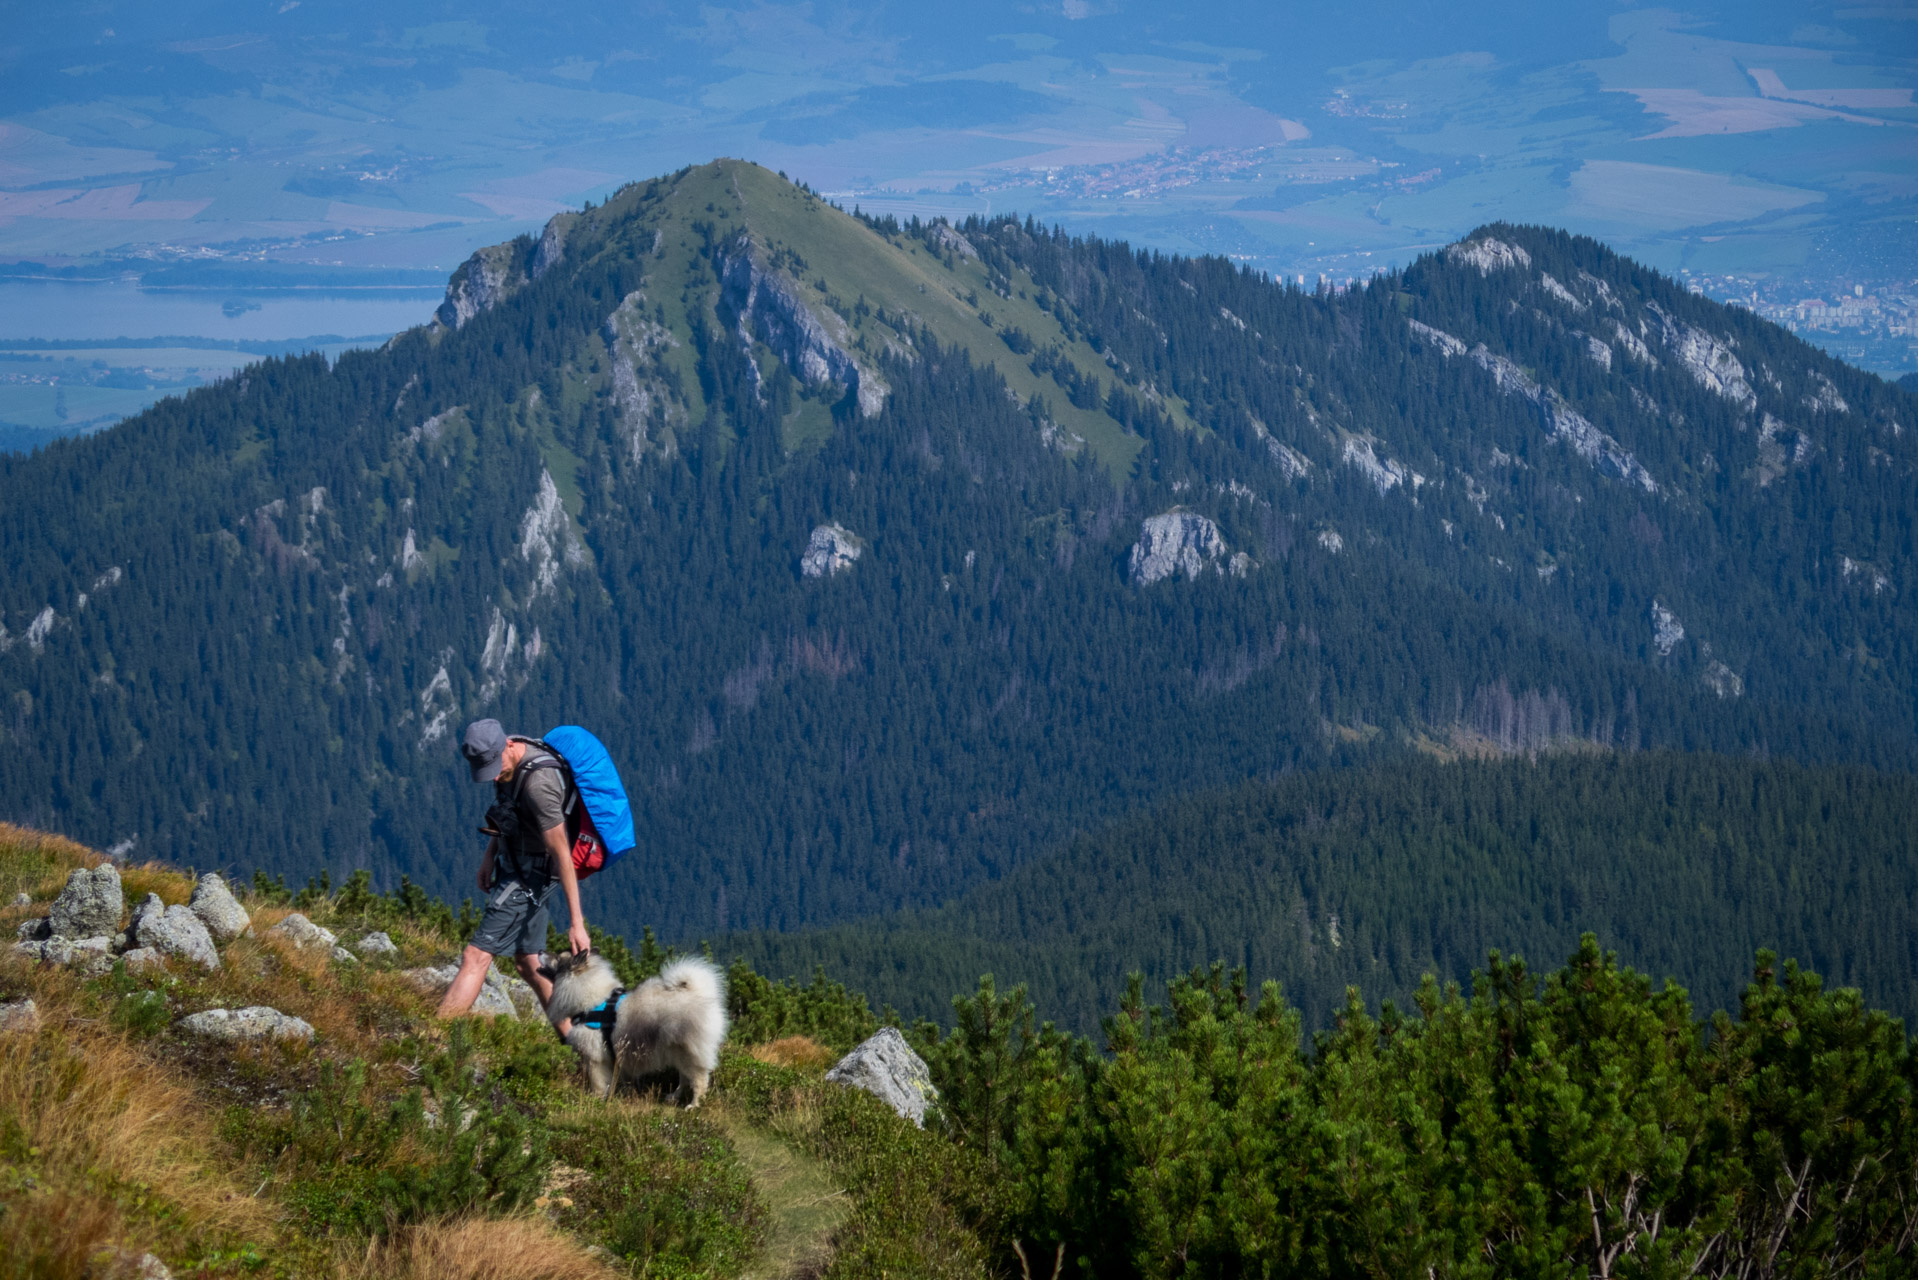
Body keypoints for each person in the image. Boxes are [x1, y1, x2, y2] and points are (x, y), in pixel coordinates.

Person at [438, 718, 592, 1021]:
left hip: (530, 875)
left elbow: (562, 854)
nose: (494, 778)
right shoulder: (508, 760)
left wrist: (577, 922)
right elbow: (508, 814)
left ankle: (436, 1041)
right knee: (527, 962)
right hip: (514, 863)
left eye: (495, 767)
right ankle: (580, 1045)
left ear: (507, 745)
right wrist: (489, 857)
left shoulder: (539, 784)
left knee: (476, 956)